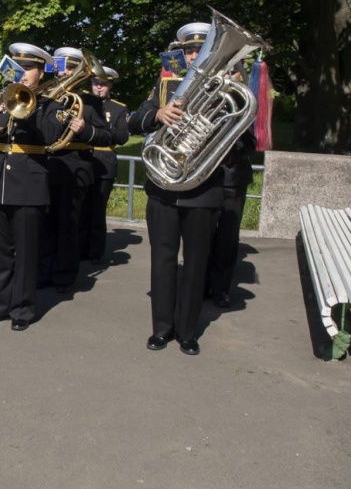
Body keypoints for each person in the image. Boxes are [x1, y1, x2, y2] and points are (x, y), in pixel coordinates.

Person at [128, 21, 222, 356]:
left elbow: (244, 140)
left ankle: (187, 332)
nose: (194, 55)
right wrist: (158, 114)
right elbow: (134, 120)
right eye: (189, 50)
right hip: (163, 186)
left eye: (200, 49)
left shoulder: (226, 86)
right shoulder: (166, 83)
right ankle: (161, 329)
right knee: (162, 260)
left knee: (196, 263)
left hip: (203, 188)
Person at [0, 43, 63, 331]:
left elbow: (51, 136)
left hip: (28, 182)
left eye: (28, 69)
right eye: (19, 68)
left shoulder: (52, 103)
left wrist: (31, 108)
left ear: (41, 71)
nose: (23, 75)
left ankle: (23, 310)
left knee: (26, 251)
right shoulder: (1, 96)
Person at [39, 46, 111, 292]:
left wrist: (85, 130)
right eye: (63, 67)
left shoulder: (89, 101)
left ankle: (65, 276)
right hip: (46, 167)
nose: (66, 72)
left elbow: (107, 136)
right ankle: (43, 272)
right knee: (45, 226)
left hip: (74, 168)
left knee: (68, 228)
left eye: (72, 68)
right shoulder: (46, 97)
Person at [206, 63, 257, 308]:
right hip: (204, 178)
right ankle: (201, 282)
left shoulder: (244, 102)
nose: (227, 76)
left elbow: (250, 145)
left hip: (232, 179)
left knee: (227, 237)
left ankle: (220, 288)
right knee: (201, 234)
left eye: (231, 72)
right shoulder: (203, 99)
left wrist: (227, 140)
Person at [80, 66, 129, 263]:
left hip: (104, 161)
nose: (98, 88)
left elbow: (123, 136)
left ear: (110, 85)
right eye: (95, 83)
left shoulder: (118, 108)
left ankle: (96, 252)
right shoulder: (83, 103)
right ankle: (80, 249)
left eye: (102, 84)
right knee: (81, 209)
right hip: (84, 159)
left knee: (97, 210)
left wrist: (99, 131)